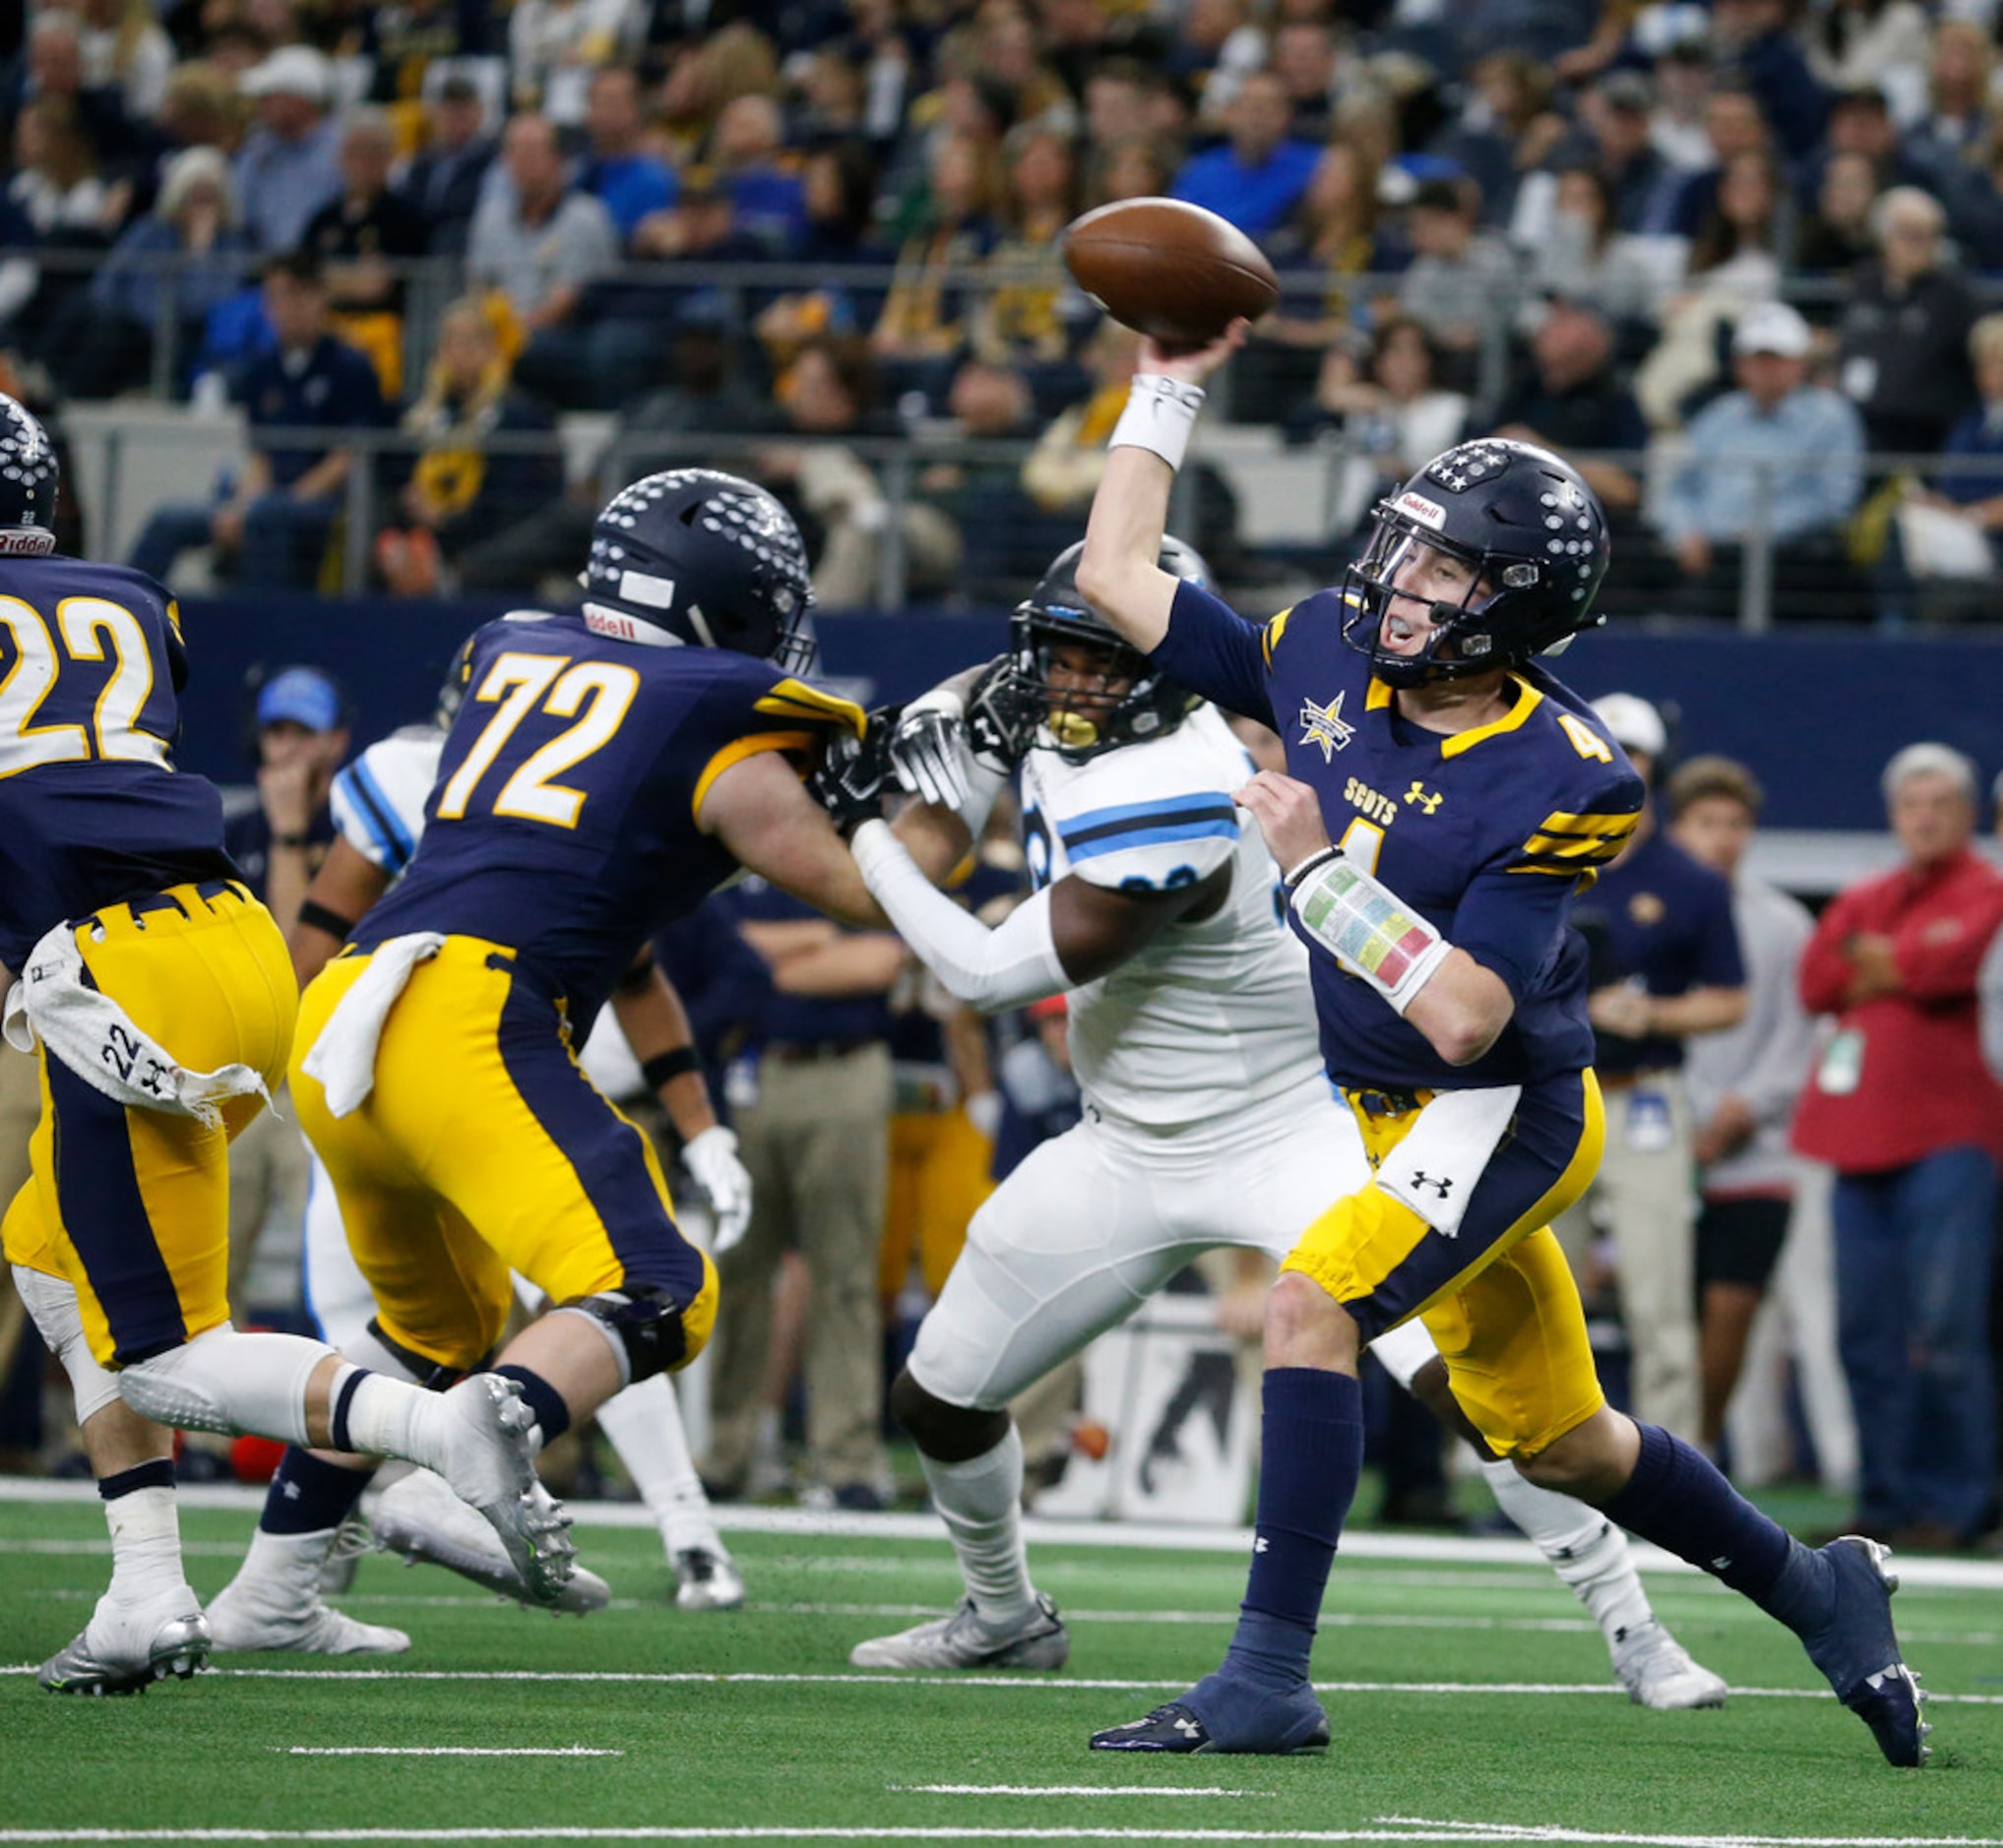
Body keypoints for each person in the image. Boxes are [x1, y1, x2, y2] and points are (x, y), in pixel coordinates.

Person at [1058, 330, 1926, 1767]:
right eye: (1403, 548)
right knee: (1557, 1439)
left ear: (1509, 607)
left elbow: (1464, 1011)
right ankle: (1813, 1585)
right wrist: (1166, 380)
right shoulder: (1330, 650)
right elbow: (1113, 576)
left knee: (1308, 1304)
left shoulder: (1564, 772)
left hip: (1500, 1105)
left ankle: (1265, 1675)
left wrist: (1314, 867)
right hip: (1390, 1111)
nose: (1399, 585)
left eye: (1444, 571)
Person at [828, 538, 1728, 1709]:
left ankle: (1632, 1625)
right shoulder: (1065, 717)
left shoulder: (1189, 792)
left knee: (1452, 1377)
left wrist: (864, 837)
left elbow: (985, 973)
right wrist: (952, 723)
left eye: (1099, 661)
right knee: (938, 1392)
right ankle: (1001, 1612)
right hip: (1126, 1138)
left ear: (1163, 664)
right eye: (1055, 657)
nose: (1069, 684)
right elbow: (996, 716)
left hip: (1289, 1126)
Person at [262, 467, 911, 1644]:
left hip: (348, 1016)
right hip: (463, 1023)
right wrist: (929, 808)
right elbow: (864, 893)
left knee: (424, 1335)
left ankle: (271, 1594)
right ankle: (467, 1458)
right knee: (661, 1287)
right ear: (718, 601)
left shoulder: (515, 650)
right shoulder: (715, 708)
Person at [0, 393, 573, 1694]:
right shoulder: (136, 598)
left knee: (166, 1349)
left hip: (121, 966)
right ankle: (146, 1584)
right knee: (46, 1249)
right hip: (228, 937)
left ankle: (440, 1429)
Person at [202, 650, 756, 1648]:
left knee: (417, 1341)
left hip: (358, 1077)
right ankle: (458, 1490)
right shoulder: (539, 794)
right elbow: (317, 932)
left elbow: (630, 973)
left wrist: (704, 1124)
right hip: (459, 1070)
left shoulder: (442, 779)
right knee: (641, 1285)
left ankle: (274, 1587)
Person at [1793, 743, 2003, 1552]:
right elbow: (1816, 979)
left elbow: (1953, 959)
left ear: (1965, 815)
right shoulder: (1867, 893)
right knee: (1864, 1333)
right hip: (1856, 1145)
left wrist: (1886, 963)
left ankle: (1963, 1505)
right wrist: (1899, 966)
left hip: (1950, 1140)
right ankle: (1884, 1504)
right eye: (1909, 804)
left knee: (1947, 1330)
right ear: (1891, 815)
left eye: (1937, 804)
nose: (1921, 817)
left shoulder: (1986, 888)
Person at [1554, 693, 1746, 1444]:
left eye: (1631, 756)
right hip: (1552, 1095)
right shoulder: (1546, 853)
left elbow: (1729, 1000)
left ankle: (1678, 1476)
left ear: (1651, 770)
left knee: (1658, 1293)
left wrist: (1653, 1016)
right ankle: (1534, 1470)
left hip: (1643, 1098)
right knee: (1542, 1290)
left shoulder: (1688, 880)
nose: (1617, 767)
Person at [1665, 755, 1819, 1456]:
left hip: (1756, 1152)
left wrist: (1740, 1110)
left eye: (1734, 824)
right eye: (1706, 823)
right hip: (1661, 1143)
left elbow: (1800, 1032)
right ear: (1678, 828)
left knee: (1731, 1306)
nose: (1721, 838)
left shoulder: (1785, 924)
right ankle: (1643, 1453)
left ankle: (1693, 1448)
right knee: (1661, 1309)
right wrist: (1688, 1118)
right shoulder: (1655, 907)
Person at [126, 253, 389, 591]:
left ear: (316, 298)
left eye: (290, 294)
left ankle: (261, 627)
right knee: (169, 519)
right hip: (267, 501)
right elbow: (262, 458)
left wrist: (277, 504)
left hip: (326, 505)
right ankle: (125, 612)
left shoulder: (351, 367)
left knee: (266, 519)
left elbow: (345, 459)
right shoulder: (263, 369)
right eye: (273, 297)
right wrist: (239, 508)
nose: (280, 308)